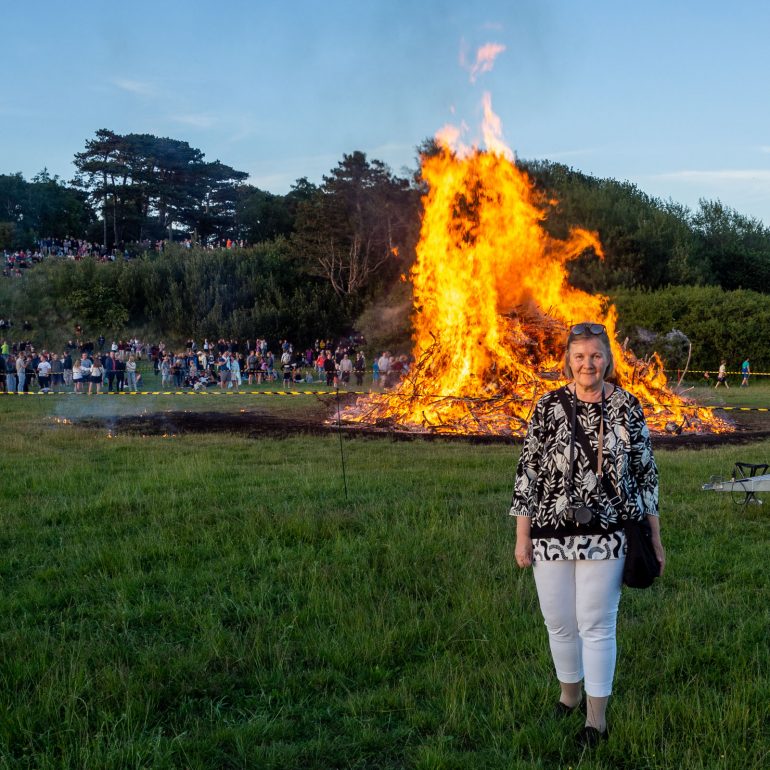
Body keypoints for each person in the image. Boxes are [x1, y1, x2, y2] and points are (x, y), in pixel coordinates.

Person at [510, 321, 664, 747]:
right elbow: (529, 473)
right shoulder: (546, 406)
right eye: (579, 356)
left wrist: (655, 537)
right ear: (568, 361)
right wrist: (523, 536)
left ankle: (596, 720)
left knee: (595, 624)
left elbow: (645, 475)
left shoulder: (628, 406)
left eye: (595, 355)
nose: (587, 364)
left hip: (608, 534)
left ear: (608, 359)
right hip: (550, 532)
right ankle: (569, 694)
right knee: (558, 622)